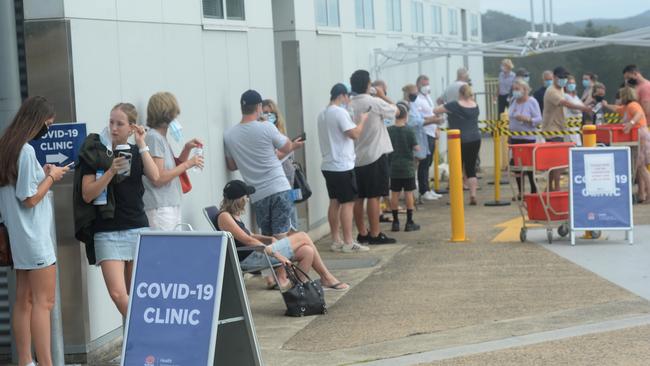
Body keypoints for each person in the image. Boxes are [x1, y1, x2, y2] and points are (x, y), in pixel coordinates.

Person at [0, 96, 70, 366]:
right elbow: (29, 199)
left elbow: (18, 187)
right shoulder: (26, 151)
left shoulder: (6, 148)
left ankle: (26, 361)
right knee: (44, 302)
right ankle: (46, 363)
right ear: (37, 121)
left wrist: (42, 173)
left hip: (18, 237)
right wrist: (52, 177)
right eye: (47, 124)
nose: (48, 130)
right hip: (34, 236)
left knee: (24, 300)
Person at [78, 103, 160, 317]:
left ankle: (135, 344)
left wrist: (142, 144)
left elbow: (155, 176)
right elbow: (87, 194)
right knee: (118, 294)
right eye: (111, 122)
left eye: (120, 124)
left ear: (131, 127)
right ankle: (145, 333)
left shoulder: (135, 151)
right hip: (107, 230)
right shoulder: (96, 152)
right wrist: (110, 171)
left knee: (137, 294)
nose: (114, 128)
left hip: (136, 227)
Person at [215, 180, 349, 291]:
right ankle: (326, 277)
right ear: (239, 199)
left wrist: (269, 239)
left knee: (307, 251)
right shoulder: (224, 217)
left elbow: (250, 235)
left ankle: (298, 290)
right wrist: (277, 254)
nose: (248, 199)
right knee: (302, 236)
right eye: (246, 196)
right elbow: (248, 241)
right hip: (250, 258)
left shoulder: (233, 215)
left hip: (258, 253)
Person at [224, 90, 304, 238]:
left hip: (258, 195)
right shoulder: (267, 126)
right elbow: (286, 147)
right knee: (282, 236)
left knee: (269, 239)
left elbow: (232, 165)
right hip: (279, 188)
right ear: (259, 107)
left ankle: (277, 261)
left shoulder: (229, 135)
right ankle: (286, 261)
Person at [317, 83, 370, 253]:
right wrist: (362, 121)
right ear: (342, 95)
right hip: (342, 165)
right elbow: (353, 134)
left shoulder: (322, 114)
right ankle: (348, 241)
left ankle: (336, 240)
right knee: (347, 203)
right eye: (348, 96)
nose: (349, 100)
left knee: (335, 201)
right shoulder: (340, 112)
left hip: (329, 164)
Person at [348, 69, 398, 245]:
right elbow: (396, 111)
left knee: (358, 197)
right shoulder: (375, 102)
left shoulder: (348, 104)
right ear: (368, 85)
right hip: (375, 154)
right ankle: (375, 233)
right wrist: (382, 95)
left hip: (354, 156)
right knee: (374, 196)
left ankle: (362, 232)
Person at [142, 92, 204, 230]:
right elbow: (158, 178)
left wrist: (186, 149)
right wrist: (189, 164)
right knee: (167, 249)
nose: (176, 116)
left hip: (169, 205)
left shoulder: (161, 137)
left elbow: (172, 169)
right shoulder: (154, 138)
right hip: (161, 207)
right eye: (173, 112)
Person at [542, 66, 592, 191]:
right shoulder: (552, 91)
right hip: (552, 130)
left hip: (559, 128)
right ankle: (556, 188)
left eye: (565, 77)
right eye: (561, 77)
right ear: (554, 77)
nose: (563, 80)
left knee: (554, 162)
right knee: (557, 162)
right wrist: (583, 108)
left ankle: (549, 188)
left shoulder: (561, 90)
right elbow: (565, 103)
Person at [434, 85, 481, 205]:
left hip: (458, 140)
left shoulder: (454, 105)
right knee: (471, 168)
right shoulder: (475, 105)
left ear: (459, 93)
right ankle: (473, 194)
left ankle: (456, 198)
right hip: (475, 138)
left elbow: (436, 110)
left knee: (456, 168)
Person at [602, 86, 650, 202]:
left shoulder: (632, 105)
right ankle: (646, 194)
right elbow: (617, 108)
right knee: (640, 166)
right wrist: (606, 105)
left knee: (641, 166)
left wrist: (631, 123)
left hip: (640, 136)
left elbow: (638, 114)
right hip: (640, 135)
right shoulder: (627, 107)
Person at [262, 98, 300, 232]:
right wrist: (291, 147)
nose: (268, 116)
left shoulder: (280, 132)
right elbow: (273, 156)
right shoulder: (264, 133)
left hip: (288, 178)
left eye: (271, 113)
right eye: (265, 113)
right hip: (274, 182)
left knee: (291, 217)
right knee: (281, 221)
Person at [388, 102, 421, 231]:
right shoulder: (409, 130)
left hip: (394, 167)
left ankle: (395, 222)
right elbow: (417, 148)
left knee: (394, 194)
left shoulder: (389, 130)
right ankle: (409, 221)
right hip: (407, 167)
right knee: (408, 193)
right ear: (406, 115)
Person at [508, 79, 542, 197]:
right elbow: (510, 119)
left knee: (529, 167)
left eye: (517, 89)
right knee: (517, 166)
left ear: (525, 90)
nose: (515, 92)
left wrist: (527, 119)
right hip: (514, 138)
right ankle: (520, 192)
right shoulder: (513, 101)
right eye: (513, 89)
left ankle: (534, 190)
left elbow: (539, 119)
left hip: (528, 139)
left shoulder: (532, 101)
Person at [414, 74, 444, 200]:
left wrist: (436, 127)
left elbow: (432, 112)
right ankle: (423, 190)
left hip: (432, 132)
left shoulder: (428, 97)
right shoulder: (417, 99)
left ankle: (427, 188)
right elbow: (419, 117)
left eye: (427, 84)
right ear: (418, 85)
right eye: (424, 84)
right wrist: (434, 120)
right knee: (424, 162)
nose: (426, 87)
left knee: (429, 161)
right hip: (424, 133)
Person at [563, 75, 585, 146]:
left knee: (578, 142)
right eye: (569, 83)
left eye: (573, 83)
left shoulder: (576, 96)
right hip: (570, 126)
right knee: (573, 144)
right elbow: (576, 110)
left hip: (577, 126)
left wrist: (582, 108)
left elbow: (582, 107)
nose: (571, 85)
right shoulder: (565, 96)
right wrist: (581, 108)